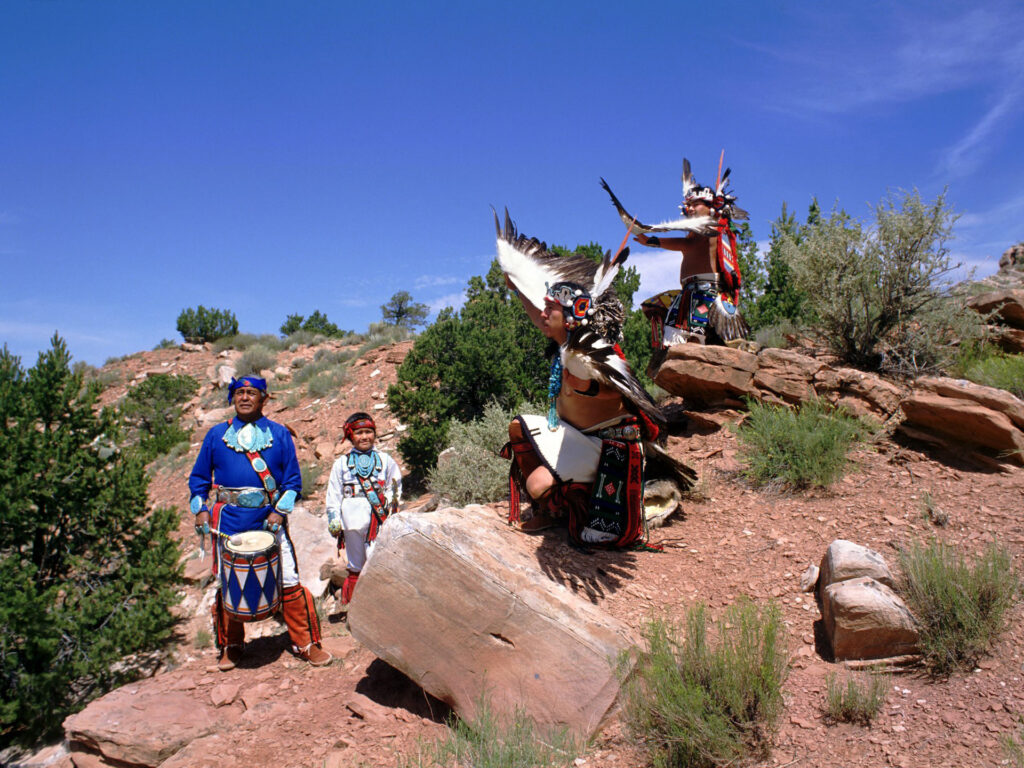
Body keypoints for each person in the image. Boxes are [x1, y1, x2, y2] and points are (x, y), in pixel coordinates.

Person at [494, 209, 667, 547]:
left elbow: (618, 395)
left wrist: (586, 386)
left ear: (571, 318)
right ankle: (557, 509)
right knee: (519, 429)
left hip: (608, 446)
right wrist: (516, 287)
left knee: (538, 485)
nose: (543, 314)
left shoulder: (593, 352)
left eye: (550, 309)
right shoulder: (569, 341)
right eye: (544, 307)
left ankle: (577, 507)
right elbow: (539, 317)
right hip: (575, 435)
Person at [189, 375, 331, 671]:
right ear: (232, 398)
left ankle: (305, 643)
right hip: (227, 521)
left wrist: (279, 512)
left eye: (251, 393)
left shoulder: (279, 434)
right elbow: (199, 479)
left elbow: (293, 482)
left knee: (289, 580)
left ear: (262, 398)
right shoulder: (216, 435)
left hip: (269, 521)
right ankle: (232, 646)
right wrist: (201, 508)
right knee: (227, 584)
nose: (244, 397)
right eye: (238, 392)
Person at [600, 157, 749, 358]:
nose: (691, 209)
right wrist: (651, 240)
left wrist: (652, 238)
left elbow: (687, 245)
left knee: (696, 339)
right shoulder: (696, 232)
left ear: (711, 207)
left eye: (697, 204)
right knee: (670, 327)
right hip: (690, 293)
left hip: (707, 294)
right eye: (690, 205)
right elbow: (686, 245)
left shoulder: (714, 227)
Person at [324, 412, 402, 606]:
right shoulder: (341, 464)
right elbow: (333, 494)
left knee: (379, 563)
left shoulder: (385, 460)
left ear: (375, 434)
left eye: (368, 432)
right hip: (351, 522)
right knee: (355, 565)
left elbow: (395, 486)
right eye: (359, 432)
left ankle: (385, 606)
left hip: (378, 521)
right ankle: (357, 608)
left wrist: (391, 510)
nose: (364, 437)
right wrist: (334, 518)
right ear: (350, 436)